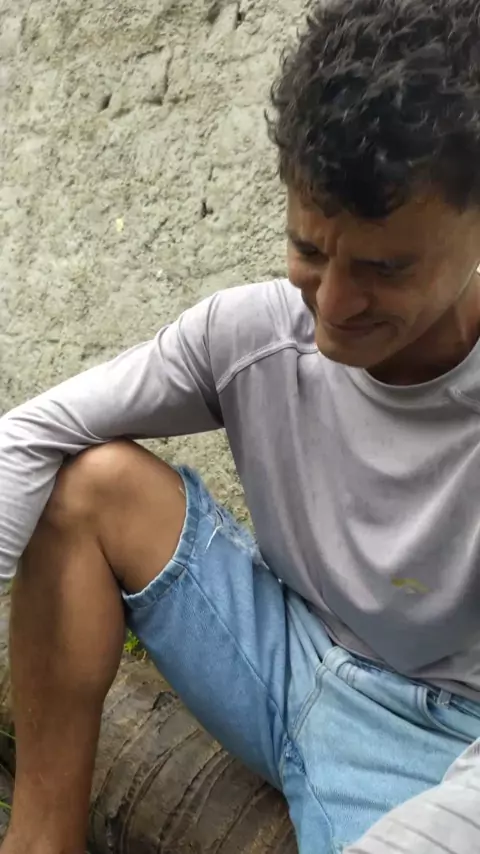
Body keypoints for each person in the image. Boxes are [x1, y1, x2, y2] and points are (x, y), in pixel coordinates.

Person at [1, 0, 480, 852]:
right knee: (90, 483)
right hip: (283, 653)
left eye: (385, 267)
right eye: (310, 251)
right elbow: (31, 434)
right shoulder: (253, 337)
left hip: (442, 746)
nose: (334, 306)